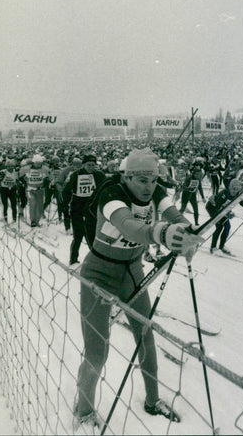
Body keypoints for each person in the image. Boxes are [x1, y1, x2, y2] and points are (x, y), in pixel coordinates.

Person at [73, 148, 203, 428]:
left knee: (146, 336)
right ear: (127, 176)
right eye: (141, 180)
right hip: (98, 274)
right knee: (97, 351)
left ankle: (153, 399)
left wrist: (187, 234)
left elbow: (176, 215)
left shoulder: (156, 192)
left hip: (132, 272)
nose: (149, 187)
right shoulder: (111, 193)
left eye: (153, 180)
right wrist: (161, 233)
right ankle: (83, 410)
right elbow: (128, 226)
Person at [62, 154, 106, 266]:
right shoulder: (75, 175)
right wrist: (65, 206)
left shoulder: (99, 175)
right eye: (88, 165)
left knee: (92, 235)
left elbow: (107, 188)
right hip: (77, 208)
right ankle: (73, 259)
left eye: (93, 165)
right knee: (78, 235)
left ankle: (95, 260)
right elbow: (66, 191)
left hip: (92, 209)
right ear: (83, 165)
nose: (91, 167)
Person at [205, 179, 243, 255]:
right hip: (212, 208)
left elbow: (241, 202)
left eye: (236, 189)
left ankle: (222, 246)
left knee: (227, 227)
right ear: (230, 188)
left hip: (223, 210)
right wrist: (228, 214)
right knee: (219, 227)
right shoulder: (224, 194)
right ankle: (213, 247)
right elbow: (217, 207)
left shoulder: (237, 194)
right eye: (233, 189)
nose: (234, 191)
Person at [19, 154, 50, 227]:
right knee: (33, 204)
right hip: (30, 189)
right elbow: (20, 176)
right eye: (37, 163)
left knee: (40, 206)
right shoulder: (26, 168)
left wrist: (48, 183)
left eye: (40, 163)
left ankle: (37, 220)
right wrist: (23, 180)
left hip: (40, 190)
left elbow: (49, 177)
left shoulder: (45, 169)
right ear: (33, 162)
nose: (38, 165)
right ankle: (33, 221)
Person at [178, 159, 205, 227]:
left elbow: (200, 188)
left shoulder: (198, 179)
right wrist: (188, 188)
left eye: (199, 174)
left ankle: (196, 223)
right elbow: (184, 186)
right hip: (186, 195)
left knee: (196, 209)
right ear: (194, 173)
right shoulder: (189, 178)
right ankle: (177, 219)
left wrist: (203, 197)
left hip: (193, 195)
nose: (198, 176)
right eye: (197, 174)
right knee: (182, 208)